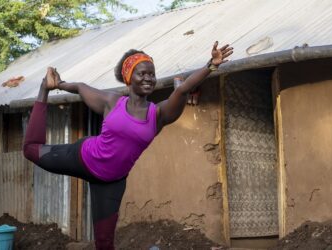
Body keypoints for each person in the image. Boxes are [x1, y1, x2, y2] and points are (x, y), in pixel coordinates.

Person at [22, 41, 233, 249]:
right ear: (129, 78)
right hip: (83, 158)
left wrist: (210, 65)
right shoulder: (112, 102)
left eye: (152, 74)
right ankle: (42, 90)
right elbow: (80, 87)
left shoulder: (158, 114)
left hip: (111, 182)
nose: (149, 78)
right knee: (31, 150)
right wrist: (56, 85)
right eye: (142, 73)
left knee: (104, 244)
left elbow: (183, 88)